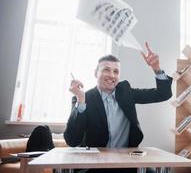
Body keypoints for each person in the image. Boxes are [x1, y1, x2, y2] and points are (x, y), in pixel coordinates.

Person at [64, 42, 172, 173]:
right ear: (95, 73)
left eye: (116, 71)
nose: (112, 75)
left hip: (127, 161)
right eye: (106, 70)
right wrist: (81, 101)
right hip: (96, 164)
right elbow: (72, 140)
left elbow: (163, 94)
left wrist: (156, 68)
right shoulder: (83, 98)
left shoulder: (126, 92)